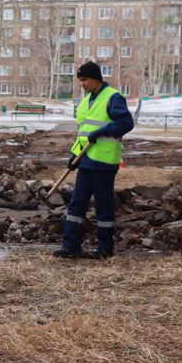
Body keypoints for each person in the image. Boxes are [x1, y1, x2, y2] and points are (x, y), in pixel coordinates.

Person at [54, 61, 134, 259]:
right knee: (77, 204)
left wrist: (102, 131)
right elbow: (83, 133)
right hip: (86, 160)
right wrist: (74, 155)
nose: (82, 84)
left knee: (103, 205)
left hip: (104, 162)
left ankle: (105, 248)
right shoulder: (86, 101)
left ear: (96, 78)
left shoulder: (113, 97)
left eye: (84, 79)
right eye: (80, 80)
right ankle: (70, 246)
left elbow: (125, 123)